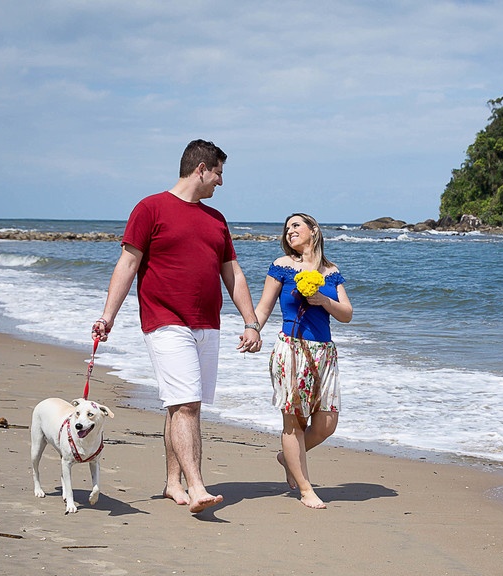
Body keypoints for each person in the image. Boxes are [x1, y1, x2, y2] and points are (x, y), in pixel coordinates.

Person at [91, 139, 262, 514]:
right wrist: (108, 316)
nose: (221, 181)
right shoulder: (150, 208)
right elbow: (127, 264)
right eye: (218, 173)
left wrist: (251, 323)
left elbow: (232, 274)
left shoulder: (216, 220)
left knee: (180, 406)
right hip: (165, 320)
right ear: (200, 169)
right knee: (187, 405)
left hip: (208, 324)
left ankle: (172, 482)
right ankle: (197, 486)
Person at [253, 213, 352, 509]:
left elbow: (347, 314)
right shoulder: (282, 266)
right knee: (294, 420)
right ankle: (306, 488)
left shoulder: (331, 271)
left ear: (314, 230)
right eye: (286, 229)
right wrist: (251, 330)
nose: (290, 231)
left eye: (296, 225)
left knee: (326, 422)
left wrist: (324, 301)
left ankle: (289, 457)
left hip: (324, 353)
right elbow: (264, 307)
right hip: (291, 349)